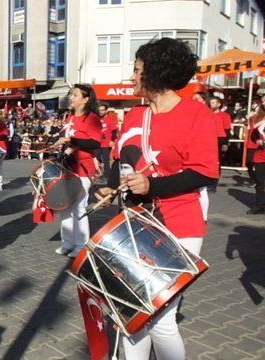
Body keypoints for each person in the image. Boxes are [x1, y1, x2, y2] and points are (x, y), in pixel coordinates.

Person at [96, 37, 218, 359]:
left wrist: (152, 187)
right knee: (132, 316)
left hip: (179, 224)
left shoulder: (196, 114)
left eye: (137, 70)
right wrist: (112, 186)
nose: (131, 76)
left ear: (156, 73)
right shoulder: (135, 115)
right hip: (136, 224)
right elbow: (124, 159)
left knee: (161, 319)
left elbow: (205, 173)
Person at [54, 84, 101, 258]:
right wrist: (60, 142)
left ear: (86, 99)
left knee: (79, 207)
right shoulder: (70, 117)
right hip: (68, 167)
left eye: (75, 95)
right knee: (65, 206)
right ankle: (67, 242)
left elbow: (95, 143)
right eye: (70, 95)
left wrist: (73, 141)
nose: (71, 98)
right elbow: (68, 138)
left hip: (83, 168)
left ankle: (81, 244)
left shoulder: (92, 118)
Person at [209, 96, 231, 189]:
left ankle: (214, 183)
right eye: (211, 102)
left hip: (220, 139)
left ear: (219, 104)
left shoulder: (225, 115)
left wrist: (225, 143)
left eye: (214, 102)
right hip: (208, 139)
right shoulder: (207, 114)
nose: (212, 104)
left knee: (217, 162)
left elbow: (227, 130)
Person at [248, 111, 265, 214]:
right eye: (263, 101)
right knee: (260, 182)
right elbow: (253, 134)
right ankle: (259, 205)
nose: (263, 103)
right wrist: (257, 140)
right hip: (261, 155)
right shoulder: (260, 117)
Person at [246, 95, 265, 186]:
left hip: (261, 141)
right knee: (249, 162)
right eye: (262, 101)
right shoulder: (256, 113)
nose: (262, 103)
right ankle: (254, 179)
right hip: (254, 140)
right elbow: (252, 126)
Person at [96, 104, 118, 178]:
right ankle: (96, 173)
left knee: (106, 160)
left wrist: (112, 141)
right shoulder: (97, 119)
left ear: (106, 110)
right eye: (99, 110)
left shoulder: (110, 119)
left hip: (106, 143)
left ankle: (107, 175)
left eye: (102, 110)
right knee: (95, 159)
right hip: (97, 143)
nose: (100, 112)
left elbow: (114, 131)